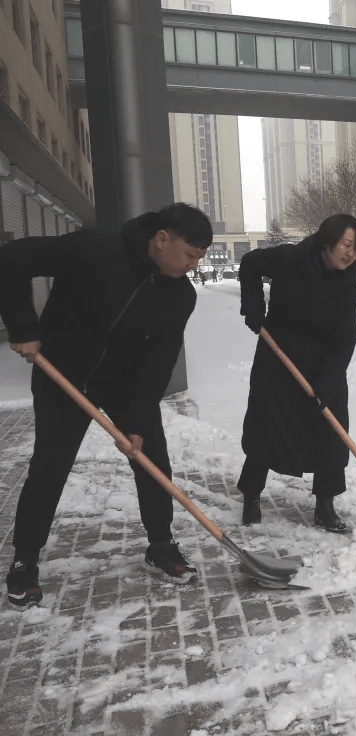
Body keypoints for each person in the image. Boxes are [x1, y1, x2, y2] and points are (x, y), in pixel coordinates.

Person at [0, 203, 213, 608]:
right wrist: (23, 326)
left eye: (200, 257)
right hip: (63, 377)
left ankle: (161, 545)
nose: (193, 264)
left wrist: (137, 419)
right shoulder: (96, 248)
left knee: (153, 461)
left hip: (125, 385)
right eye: (190, 253)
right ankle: (25, 559)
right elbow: (11, 258)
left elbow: (160, 360)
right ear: (162, 239)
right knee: (49, 467)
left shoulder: (180, 295)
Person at [236, 214, 356, 533]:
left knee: (331, 432)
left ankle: (325, 506)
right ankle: (251, 495)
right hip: (278, 358)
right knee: (266, 429)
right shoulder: (289, 258)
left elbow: (346, 338)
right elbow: (250, 264)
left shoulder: (349, 283)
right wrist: (254, 308)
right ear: (328, 239)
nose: (351, 254)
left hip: (323, 363)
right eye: (347, 245)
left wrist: (329, 381)